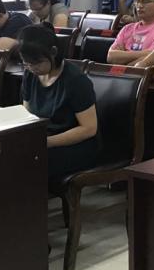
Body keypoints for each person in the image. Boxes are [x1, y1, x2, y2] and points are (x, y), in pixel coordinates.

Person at [18, 25, 98, 183]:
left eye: (37, 63)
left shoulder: (75, 80)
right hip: (44, 138)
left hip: (76, 145)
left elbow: (89, 129)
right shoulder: (30, 74)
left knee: (28, 160)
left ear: (53, 52)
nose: (32, 68)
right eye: (26, 63)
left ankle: (28, 198)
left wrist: (47, 142)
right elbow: (28, 114)